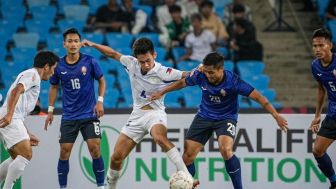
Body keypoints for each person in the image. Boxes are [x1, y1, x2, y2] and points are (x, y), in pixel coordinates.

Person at [150, 52, 288, 189]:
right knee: (187, 156)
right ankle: (188, 185)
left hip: (226, 117)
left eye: (211, 72)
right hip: (204, 116)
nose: (208, 76)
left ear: (221, 69)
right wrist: (162, 92)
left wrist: (276, 115)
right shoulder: (201, 74)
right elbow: (183, 82)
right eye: (206, 72)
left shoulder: (233, 81)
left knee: (226, 149)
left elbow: (259, 97)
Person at [81, 37, 196, 189]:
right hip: (137, 116)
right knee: (116, 158)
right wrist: (94, 44)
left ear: (154, 55)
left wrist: (196, 71)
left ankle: (186, 174)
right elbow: (113, 54)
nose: (146, 65)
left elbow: (185, 76)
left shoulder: (163, 72)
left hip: (155, 113)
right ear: (136, 59)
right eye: (142, 61)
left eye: (148, 60)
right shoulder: (131, 63)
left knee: (159, 137)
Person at [44, 28, 106, 189]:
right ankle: (63, 187)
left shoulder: (90, 61)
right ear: (64, 44)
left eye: (76, 41)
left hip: (89, 115)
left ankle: (101, 186)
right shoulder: (58, 65)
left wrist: (100, 101)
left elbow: (102, 81)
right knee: (64, 152)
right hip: (69, 116)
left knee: (95, 149)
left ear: (80, 43)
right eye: (70, 41)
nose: (73, 44)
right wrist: (50, 110)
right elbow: (53, 87)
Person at [0, 51, 59, 189]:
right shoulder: (33, 75)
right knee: (26, 153)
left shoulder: (31, 76)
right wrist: (9, 115)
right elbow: (16, 91)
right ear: (46, 66)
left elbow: (19, 109)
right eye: (53, 68)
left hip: (12, 117)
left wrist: (26, 132)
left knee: (17, 158)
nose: (53, 72)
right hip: (10, 117)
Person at [310, 28, 336, 189]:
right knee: (318, 151)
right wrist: (318, 115)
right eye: (315, 46)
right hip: (333, 114)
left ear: (330, 45)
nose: (317, 49)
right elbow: (321, 89)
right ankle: (334, 182)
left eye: (321, 45)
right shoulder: (315, 66)